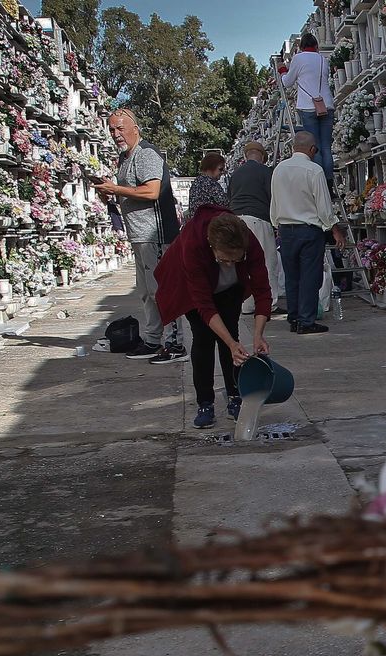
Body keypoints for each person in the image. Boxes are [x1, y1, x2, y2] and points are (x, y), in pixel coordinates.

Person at [153, 205, 274, 429]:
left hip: (229, 288)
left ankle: (235, 395)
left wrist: (258, 335)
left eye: (236, 260)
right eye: (225, 260)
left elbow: (262, 290)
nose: (231, 264)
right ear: (212, 246)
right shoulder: (193, 244)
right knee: (202, 338)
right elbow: (205, 306)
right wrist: (229, 343)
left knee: (232, 333)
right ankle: (205, 402)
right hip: (191, 286)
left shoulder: (249, 241)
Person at [94, 108, 181, 362]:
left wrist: (117, 188)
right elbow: (131, 191)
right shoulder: (125, 158)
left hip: (155, 233)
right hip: (140, 234)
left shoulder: (146, 154)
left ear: (135, 128)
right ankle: (154, 339)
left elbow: (152, 191)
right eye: (111, 129)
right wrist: (110, 193)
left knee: (161, 290)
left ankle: (175, 344)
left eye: (120, 128)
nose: (115, 134)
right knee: (146, 291)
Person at [271, 129, 343, 335]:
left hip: (285, 230)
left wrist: (277, 225)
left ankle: (294, 318)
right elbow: (324, 206)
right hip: (309, 230)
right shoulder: (314, 170)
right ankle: (306, 320)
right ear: (312, 149)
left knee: (292, 276)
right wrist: (335, 229)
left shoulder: (279, 170)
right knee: (310, 277)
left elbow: (274, 202)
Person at [228, 141, 285, 316]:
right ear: (261, 156)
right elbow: (273, 198)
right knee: (266, 261)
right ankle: (269, 304)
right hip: (258, 219)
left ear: (246, 155)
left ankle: (245, 304)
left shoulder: (235, 174)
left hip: (237, 219)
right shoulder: (265, 172)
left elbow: (230, 196)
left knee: (242, 263)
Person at [278, 34, 336, 191]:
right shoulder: (323, 59)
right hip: (326, 105)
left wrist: (283, 70)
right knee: (326, 146)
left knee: (314, 146)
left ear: (302, 46)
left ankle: (319, 186)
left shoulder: (298, 58)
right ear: (316, 45)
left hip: (308, 106)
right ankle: (329, 183)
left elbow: (287, 82)